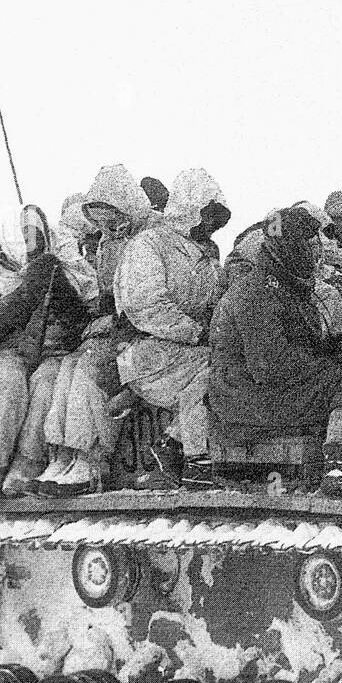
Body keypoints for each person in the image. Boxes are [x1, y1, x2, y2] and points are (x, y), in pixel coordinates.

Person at [207, 205, 342, 494]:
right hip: (249, 402)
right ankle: (341, 463)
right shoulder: (256, 293)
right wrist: (336, 368)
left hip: (262, 395)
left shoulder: (286, 286)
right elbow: (270, 366)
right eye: (310, 245)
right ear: (290, 249)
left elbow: (309, 347)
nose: (317, 254)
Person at [0, 205, 92, 511]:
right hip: (0, 357)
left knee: (50, 380)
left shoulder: (60, 261)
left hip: (47, 354)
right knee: (9, 380)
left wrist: (58, 285)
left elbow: (82, 314)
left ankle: (26, 464)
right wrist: (26, 293)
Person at [35, 168, 156, 495]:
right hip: (118, 328)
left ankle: (92, 455)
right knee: (69, 368)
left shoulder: (151, 236)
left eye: (111, 218)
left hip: (143, 332)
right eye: (100, 221)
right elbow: (107, 293)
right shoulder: (108, 243)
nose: (106, 227)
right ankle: (65, 453)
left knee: (91, 370)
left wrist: (114, 319)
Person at [112, 168, 228, 488]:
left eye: (214, 220)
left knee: (223, 366)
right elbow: (145, 305)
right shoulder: (149, 244)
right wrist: (197, 333)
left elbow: (215, 303)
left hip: (180, 350)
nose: (209, 227)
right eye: (205, 217)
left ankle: (176, 449)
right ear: (191, 209)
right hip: (144, 350)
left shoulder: (205, 255)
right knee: (218, 370)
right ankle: (192, 455)